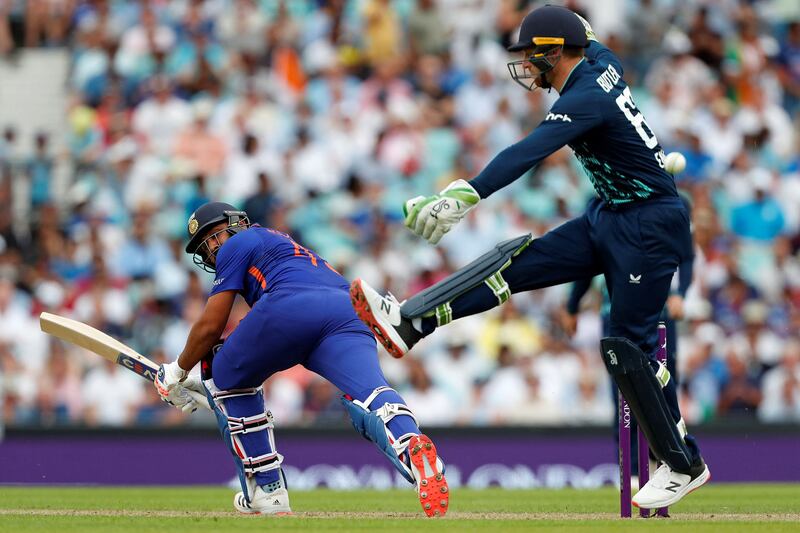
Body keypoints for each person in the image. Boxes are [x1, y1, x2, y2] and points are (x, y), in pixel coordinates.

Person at [350, 5, 709, 511]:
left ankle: (683, 463)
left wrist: (463, 194)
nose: (524, 65)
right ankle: (413, 323)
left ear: (554, 52)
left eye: (529, 55)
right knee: (514, 265)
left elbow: (528, 151)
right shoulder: (599, 60)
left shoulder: (585, 97)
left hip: (649, 226)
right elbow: (590, 39)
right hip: (611, 214)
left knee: (629, 347)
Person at [153, 202, 448, 517]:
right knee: (371, 391)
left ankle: (267, 491)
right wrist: (201, 384)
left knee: (223, 371)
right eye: (206, 243)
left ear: (237, 223)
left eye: (215, 234)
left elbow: (211, 326)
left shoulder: (239, 242)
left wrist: (179, 371)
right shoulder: (285, 243)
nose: (213, 246)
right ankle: (410, 442)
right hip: (347, 311)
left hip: (289, 307)